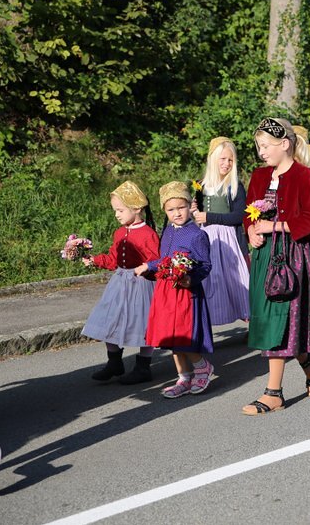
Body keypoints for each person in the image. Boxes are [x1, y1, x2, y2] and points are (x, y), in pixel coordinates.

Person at [243, 117, 310, 414]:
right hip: (264, 255)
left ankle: (274, 393)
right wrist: (251, 230)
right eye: (259, 146)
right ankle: (308, 359)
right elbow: (249, 212)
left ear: (284, 144)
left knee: (281, 317)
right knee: (273, 319)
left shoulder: (306, 176)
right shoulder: (259, 175)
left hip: (293, 256)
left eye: (266, 146)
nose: (261, 152)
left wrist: (274, 226)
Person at [139, 182, 215, 399]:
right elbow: (164, 260)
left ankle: (202, 368)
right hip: (166, 292)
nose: (177, 213)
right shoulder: (168, 231)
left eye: (181, 207)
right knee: (171, 336)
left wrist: (190, 278)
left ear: (190, 205)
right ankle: (183, 377)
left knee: (184, 335)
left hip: (185, 293)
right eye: (171, 209)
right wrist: (148, 266)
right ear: (165, 211)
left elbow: (205, 265)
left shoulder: (196, 235)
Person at [81, 181, 160, 384]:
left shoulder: (148, 234)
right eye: (115, 210)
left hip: (141, 284)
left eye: (120, 210)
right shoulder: (119, 232)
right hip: (119, 284)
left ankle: (143, 367)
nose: (116, 214)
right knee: (109, 319)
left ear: (137, 208)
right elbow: (113, 259)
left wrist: (148, 269)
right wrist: (94, 260)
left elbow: (156, 262)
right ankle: (115, 362)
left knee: (143, 324)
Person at [192, 137, 250, 327]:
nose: (226, 163)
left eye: (230, 160)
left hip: (228, 239)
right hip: (206, 239)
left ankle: (252, 324)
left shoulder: (234, 186)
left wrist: (209, 217)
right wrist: (193, 212)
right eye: (222, 159)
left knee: (235, 280)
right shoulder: (200, 185)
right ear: (213, 159)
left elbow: (239, 216)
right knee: (211, 279)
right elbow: (196, 216)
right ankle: (208, 322)